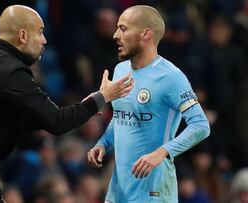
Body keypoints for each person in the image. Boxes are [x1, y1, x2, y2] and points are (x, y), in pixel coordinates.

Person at [0, 5, 134, 203]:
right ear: (23, 36)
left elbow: (26, 119)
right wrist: (101, 98)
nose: (44, 40)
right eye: (40, 32)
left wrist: (86, 107)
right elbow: (56, 122)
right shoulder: (12, 70)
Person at [87, 5, 210, 203]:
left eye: (124, 28)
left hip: (154, 193)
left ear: (146, 33)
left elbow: (201, 126)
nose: (115, 35)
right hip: (118, 192)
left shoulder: (171, 77)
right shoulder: (120, 70)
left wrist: (162, 152)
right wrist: (104, 142)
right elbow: (121, 115)